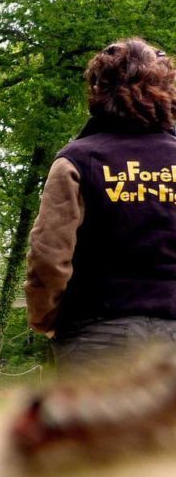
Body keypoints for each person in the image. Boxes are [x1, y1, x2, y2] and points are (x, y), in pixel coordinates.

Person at [25, 38, 176, 370]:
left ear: (98, 90)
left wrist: (45, 317)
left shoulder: (76, 160)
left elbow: (49, 254)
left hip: (97, 337)